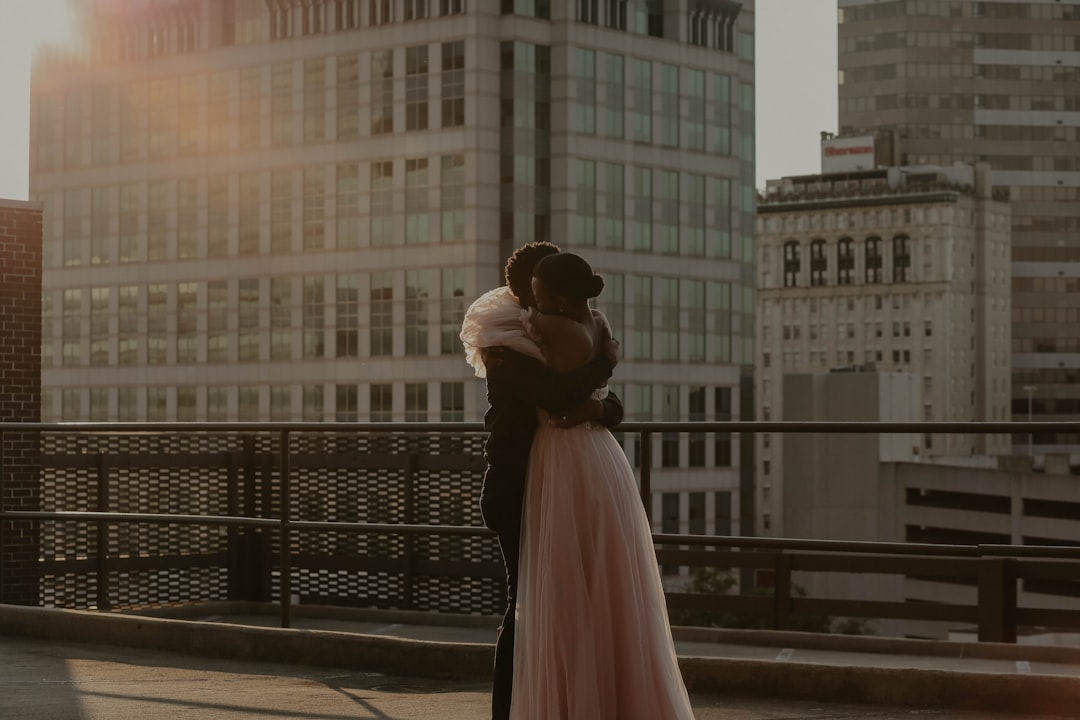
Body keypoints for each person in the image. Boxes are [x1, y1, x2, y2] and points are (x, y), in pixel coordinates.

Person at [510, 252, 695, 720]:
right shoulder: (599, 326)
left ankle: (578, 702)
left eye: (539, 296)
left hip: (564, 454)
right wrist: (603, 387)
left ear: (559, 296)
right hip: (604, 457)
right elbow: (602, 395)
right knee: (610, 577)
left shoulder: (543, 327)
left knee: (566, 582)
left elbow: (560, 394)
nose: (534, 304)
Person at [459, 241, 625, 720]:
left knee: (578, 598)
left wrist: (603, 403)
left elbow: (601, 401)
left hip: (569, 482)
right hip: (516, 485)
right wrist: (606, 360)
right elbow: (554, 395)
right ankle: (510, 712)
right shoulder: (506, 344)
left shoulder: (563, 335)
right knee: (524, 604)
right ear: (535, 294)